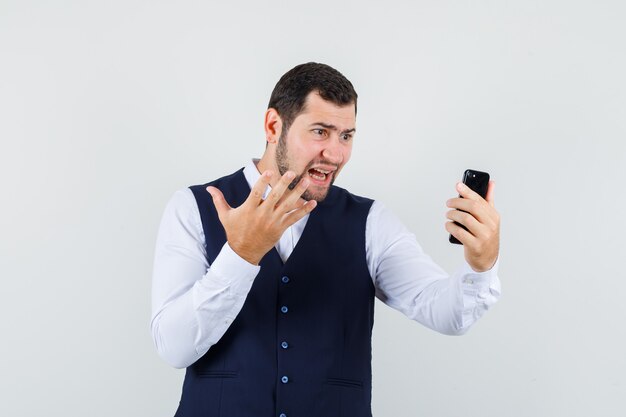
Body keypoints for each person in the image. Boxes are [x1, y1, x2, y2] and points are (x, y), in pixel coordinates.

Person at [151, 62, 501, 417]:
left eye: (346, 136)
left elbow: (446, 312)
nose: (335, 155)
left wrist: (481, 265)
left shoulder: (371, 222)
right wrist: (241, 255)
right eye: (321, 132)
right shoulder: (193, 207)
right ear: (274, 126)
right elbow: (174, 347)